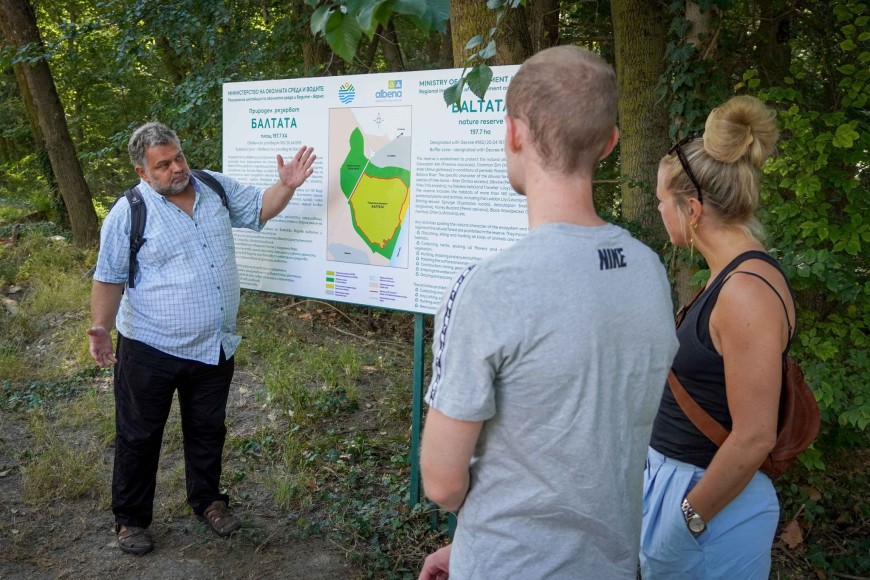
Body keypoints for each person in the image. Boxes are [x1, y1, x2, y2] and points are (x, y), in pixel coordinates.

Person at [418, 46, 679, 579]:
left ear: (513, 133)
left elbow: (442, 484)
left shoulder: (490, 287)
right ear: (609, 143)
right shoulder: (649, 271)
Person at [87, 121, 315, 555]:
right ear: (143, 172)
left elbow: (260, 209)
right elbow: (109, 277)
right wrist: (101, 327)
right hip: (150, 348)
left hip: (214, 345)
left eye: (179, 158)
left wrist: (285, 186)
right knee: (138, 435)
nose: (177, 169)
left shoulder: (212, 188)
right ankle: (131, 520)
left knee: (208, 429)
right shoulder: (129, 212)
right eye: (164, 165)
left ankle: (208, 501)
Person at [640, 95, 787, 578]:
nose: (659, 211)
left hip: (712, 508)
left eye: (662, 201)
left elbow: (754, 436)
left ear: (693, 209)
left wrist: (687, 518)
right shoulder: (729, 277)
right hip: (687, 490)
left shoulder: (746, 292)